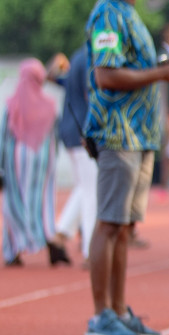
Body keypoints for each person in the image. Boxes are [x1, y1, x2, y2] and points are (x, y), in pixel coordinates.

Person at [83, 0, 169, 335]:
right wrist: (162, 74)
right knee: (109, 223)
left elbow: (134, 68)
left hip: (141, 134)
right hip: (116, 132)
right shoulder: (108, 14)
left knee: (124, 227)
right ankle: (99, 316)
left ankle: (120, 311)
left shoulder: (130, 13)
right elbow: (106, 75)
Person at [0, 59, 68, 267]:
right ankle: (49, 240)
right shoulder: (50, 106)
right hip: (43, 164)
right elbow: (55, 138)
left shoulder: (12, 104)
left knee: (12, 205)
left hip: (14, 164)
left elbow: (2, 137)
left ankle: (12, 251)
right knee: (43, 205)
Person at [53, 44, 97, 263]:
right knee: (92, 192)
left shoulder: (76, 57)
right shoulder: (91, 57)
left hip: (69, 129)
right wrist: (92, 130)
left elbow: (56, 79)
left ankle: (61, 232)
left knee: (85, 187)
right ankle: (90, 250)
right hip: (82, 131)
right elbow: (92, 97)